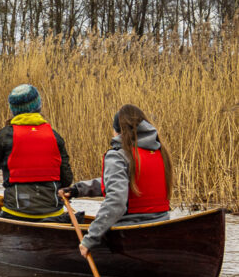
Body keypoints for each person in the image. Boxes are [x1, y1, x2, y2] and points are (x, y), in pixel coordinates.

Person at [61, 104, 173, 259]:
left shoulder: (119, 155)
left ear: (117, 131)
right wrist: (77, 190)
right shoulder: (160, 152)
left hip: (129, 231)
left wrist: (89, 240)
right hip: (162, 225)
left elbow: (116, 201)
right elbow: (119, 184)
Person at [0, 84, 73, 221]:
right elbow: (67, 179)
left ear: (13, 110)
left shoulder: (4, 136)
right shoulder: (54, 136)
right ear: (39, 106)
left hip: (15, 212)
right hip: (53, 213)